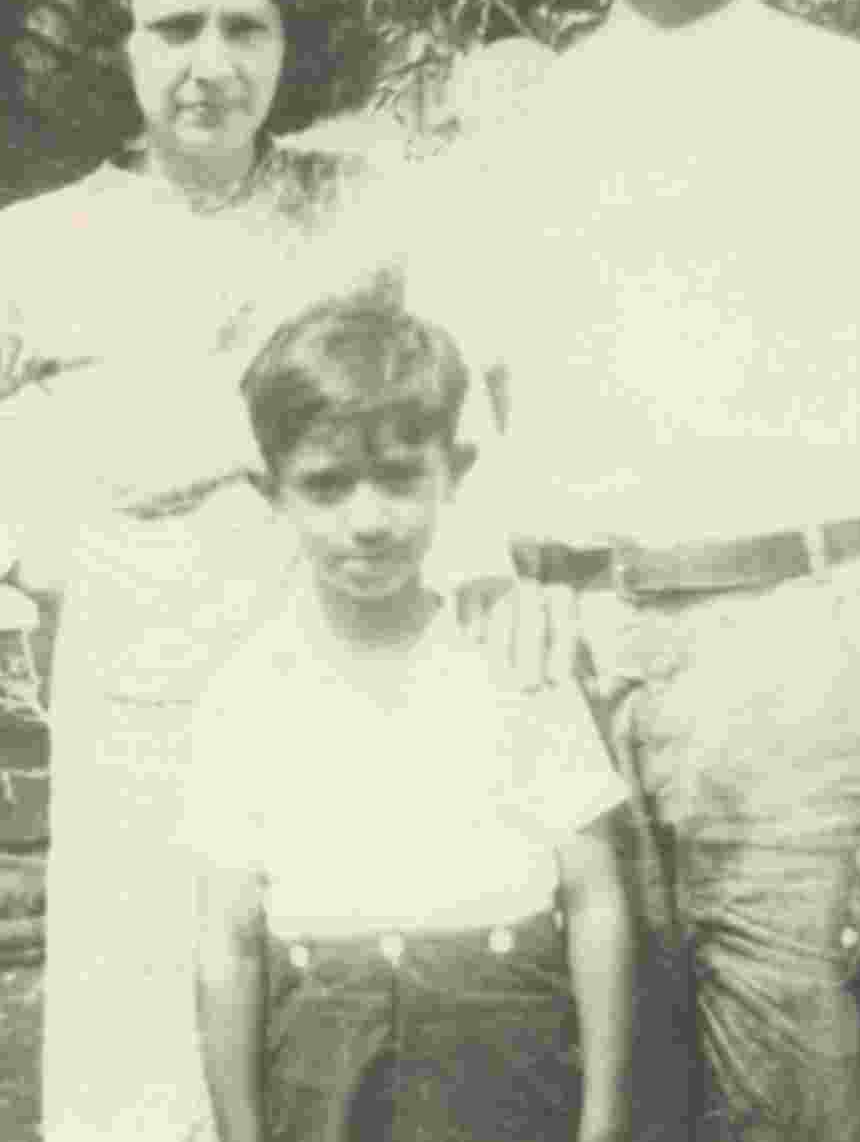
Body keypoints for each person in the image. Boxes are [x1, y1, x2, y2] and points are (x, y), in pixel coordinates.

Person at [405, 0, 860, 1135]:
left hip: (799, 671)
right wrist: (482, 562)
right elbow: (436, 395)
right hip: (562, 679)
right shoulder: (514, 122)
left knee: (809, 1095)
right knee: (576, 1098)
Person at [0, 0, 408, 1141]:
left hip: (346, 682)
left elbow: (464, 404)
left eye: (244, 28)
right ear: (115, 43)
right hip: (143, 717)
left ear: (290, 39)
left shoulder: (362, 217)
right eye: (173, 29)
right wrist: (16, 518)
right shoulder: (45, 243)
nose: (210, 65)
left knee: (339, 1042)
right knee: (146, 1068)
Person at [186, 293, 637, 1142]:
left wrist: (603, 1119)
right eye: (324, 486)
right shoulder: (247, 691)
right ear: (269, 491)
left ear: (452, 474)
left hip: (507, 1059)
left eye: (399, 478)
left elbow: (596, 897)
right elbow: (229, 944)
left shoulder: (513, 662)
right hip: (323, 1063)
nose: (368, 521)